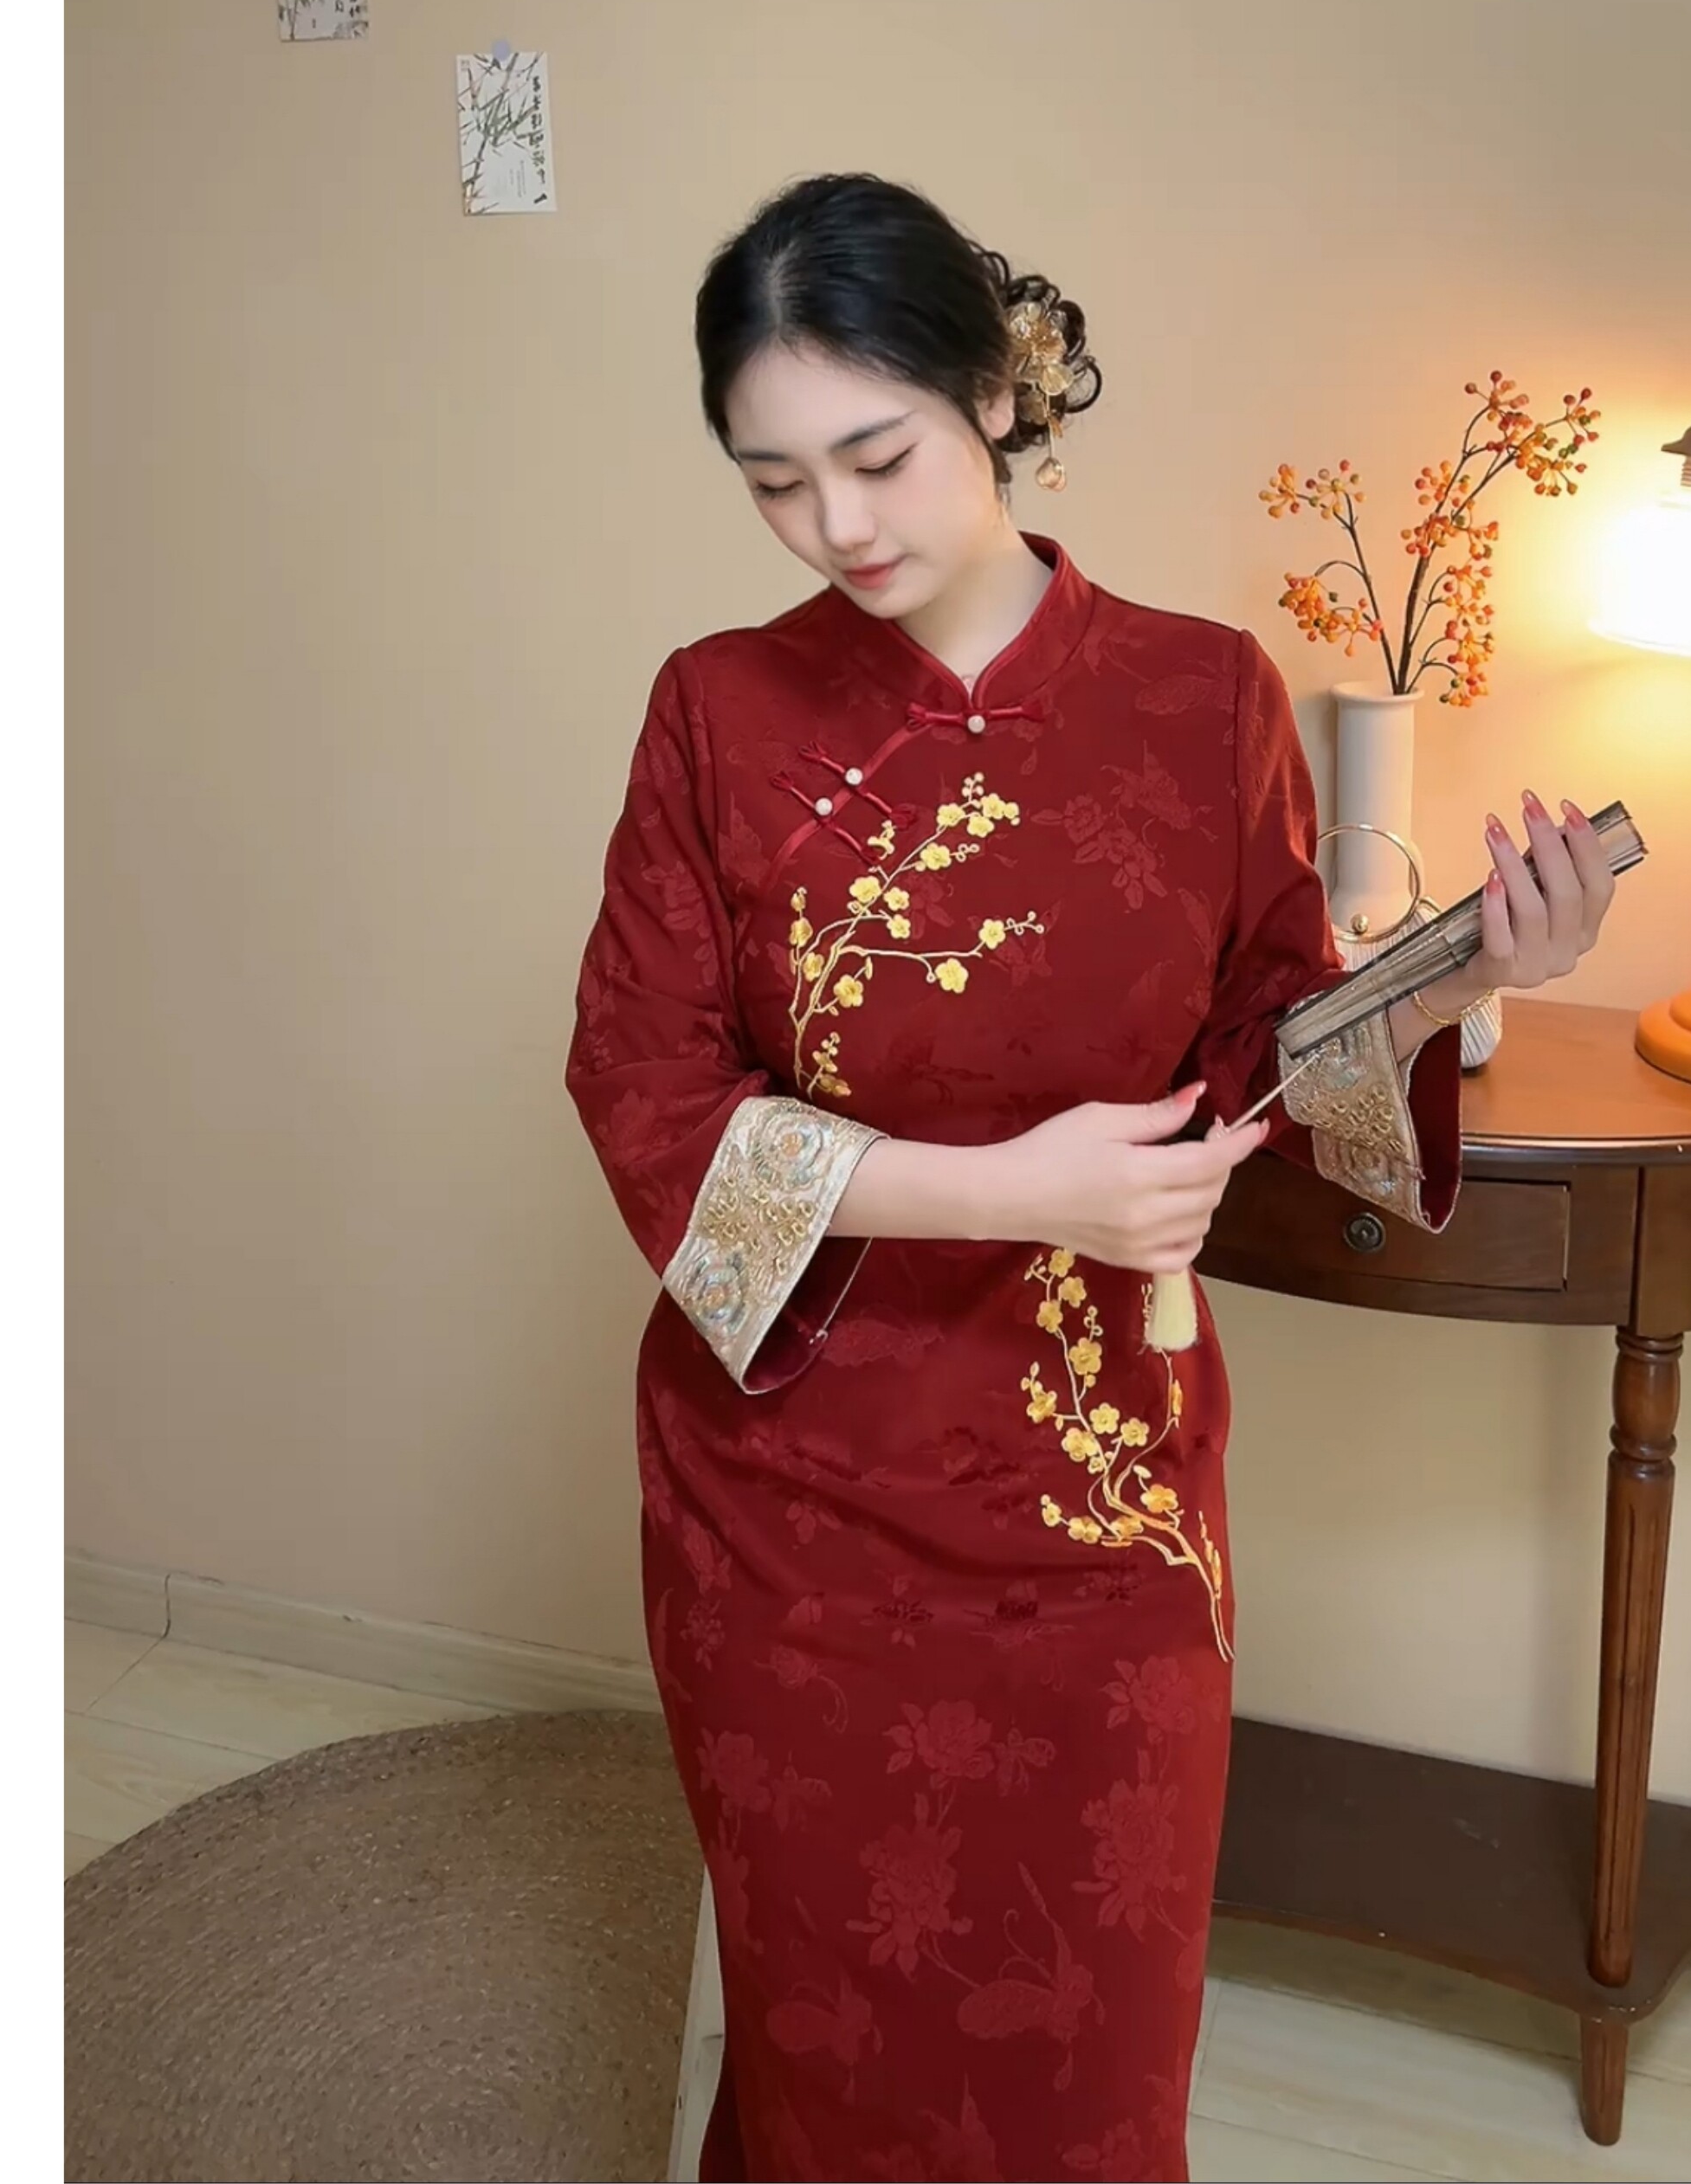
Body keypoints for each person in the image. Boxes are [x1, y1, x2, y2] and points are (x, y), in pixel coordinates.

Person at [565, 172, 1620, 2182]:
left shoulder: (1201, 698)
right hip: (792, 1511)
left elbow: (1270, 1060)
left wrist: (1470, 974)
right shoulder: (718, 711)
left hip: (1102, 1493)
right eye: (774, 483)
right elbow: (642, 1091)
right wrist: (1011, 1192)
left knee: (1093, 2057)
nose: (837, 525)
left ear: (993, 393)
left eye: (876, 455)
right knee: (827, 2037)